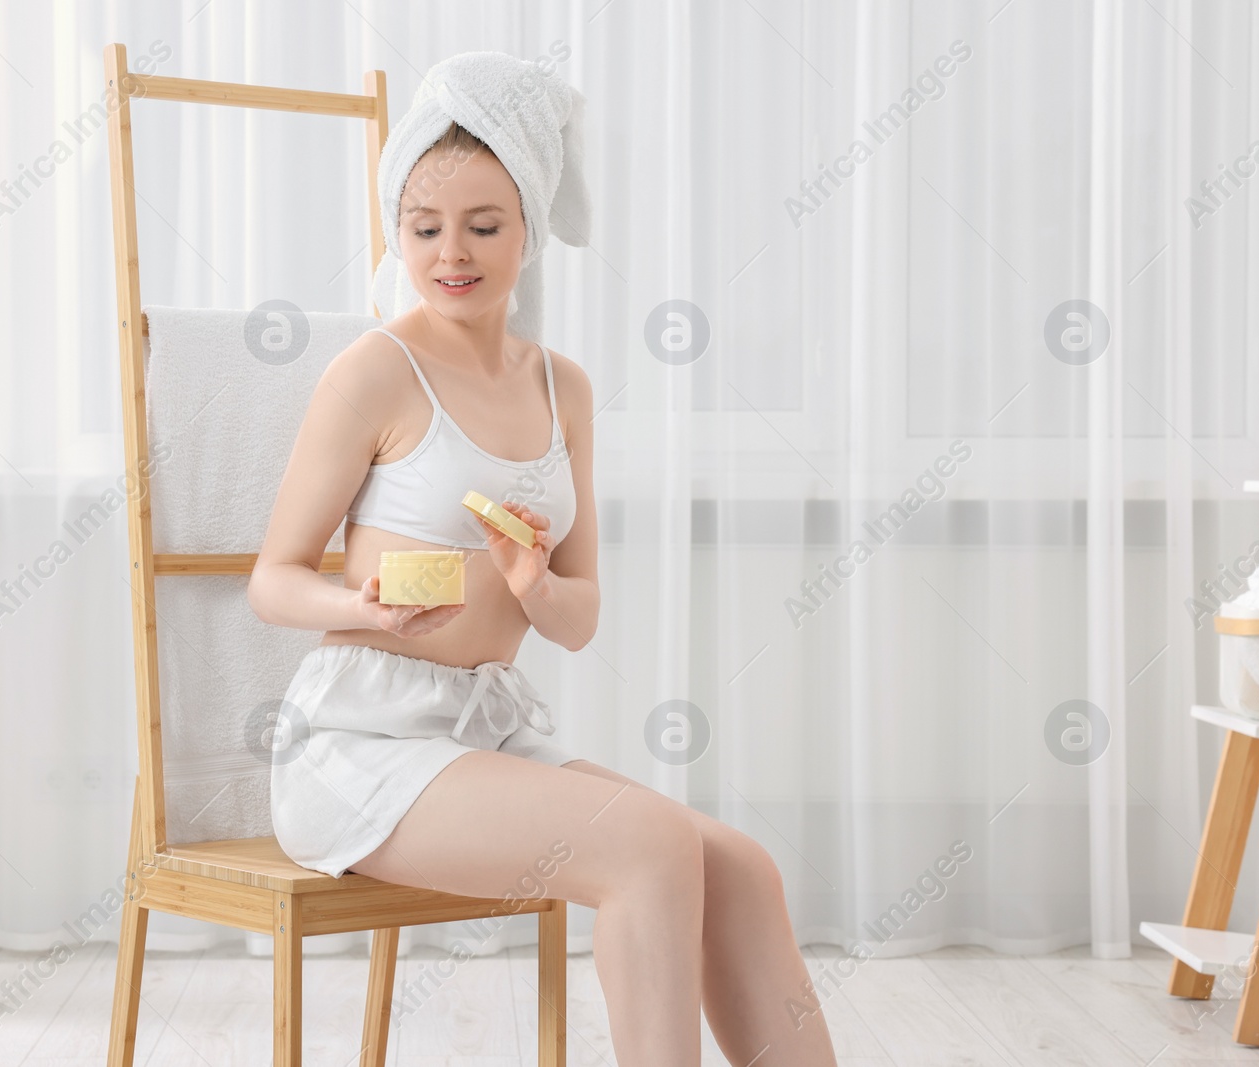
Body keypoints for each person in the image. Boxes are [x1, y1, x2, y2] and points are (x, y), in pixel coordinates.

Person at [248, 54, 837, 1067]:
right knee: (649, 846)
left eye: (483, 224)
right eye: (423, 227)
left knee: (738, 864)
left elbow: (577, 616)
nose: (452, 252)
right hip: (358, 740)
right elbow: (270, 580)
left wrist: (532, 584)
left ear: (527, 229)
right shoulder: (374, 371)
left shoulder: (562, 387)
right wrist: (365, 599)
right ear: (396, 232)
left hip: (485, 727)